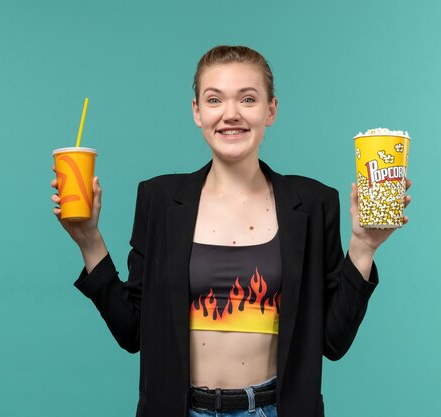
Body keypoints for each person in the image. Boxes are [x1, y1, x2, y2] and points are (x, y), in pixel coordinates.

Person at [51, 45, 411, 417]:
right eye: (214, 99)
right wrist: (89, 241)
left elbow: (333, 341)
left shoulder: (314, 203)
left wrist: (364, 248)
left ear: (271, 110)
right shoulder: (159, 200)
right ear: (197, 112)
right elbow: (132, 332)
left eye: (248, 99)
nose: (231, 114)